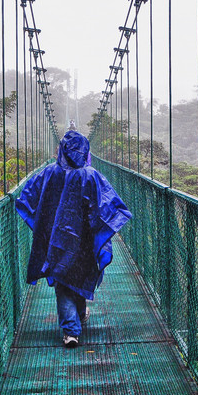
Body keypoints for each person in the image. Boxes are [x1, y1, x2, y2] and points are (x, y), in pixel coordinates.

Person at [15, 128, 132, 347]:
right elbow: (110, 206)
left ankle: (74, 322)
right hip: (84, 239)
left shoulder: (49, 172)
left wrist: (42, 222)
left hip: (55, 238)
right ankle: (72, 329)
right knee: (78, 273)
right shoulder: (91, 175)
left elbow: (26, 199)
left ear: (61, 150)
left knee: (63, 278)